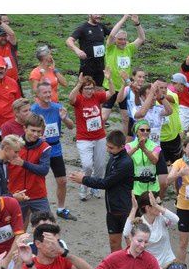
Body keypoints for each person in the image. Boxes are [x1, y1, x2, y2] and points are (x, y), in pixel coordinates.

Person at [69, 130, 134, 253]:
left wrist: (83, 179)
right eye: (107, 146)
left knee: (131, 245)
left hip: (124, 209)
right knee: (114, 243)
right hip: (112, 209)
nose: (108, 150)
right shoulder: (114, 157)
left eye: (111, 148)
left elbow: (105, 183)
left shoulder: (125, 163)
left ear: (122, 147)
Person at [31, 81, 76, 220]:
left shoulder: (58, 108)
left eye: (50, 91)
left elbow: (71, 126)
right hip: (39, 149)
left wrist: (64, 118)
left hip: (55, 149)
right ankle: (37, 209)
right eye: (45, 92)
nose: (48, 94)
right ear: (38, 95)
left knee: (62, 181)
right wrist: (38, 137)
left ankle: (61, 209)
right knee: (37, 181)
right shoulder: (33, 110)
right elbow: (27, 131)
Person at [69, 71, 115, 201]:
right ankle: (84, 186)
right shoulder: (78, 99)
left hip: (99, 136)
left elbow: (111, 93)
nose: (90, 91)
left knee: (100, 166)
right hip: (84, 138)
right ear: (82, 89)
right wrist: (79, 84)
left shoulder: (97, 96)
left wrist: (109, 79)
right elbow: (70, 98)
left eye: (91, 88)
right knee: (87, 165)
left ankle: (95, 186)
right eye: (87, 88)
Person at [7, 114, 52, 229]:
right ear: (25, 128)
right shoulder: (13, 145)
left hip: (38, 194)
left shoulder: (45, 147)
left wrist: (23, 163)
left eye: (39, 131)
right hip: (16, 194)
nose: (36, 134)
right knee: (14, 230)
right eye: (33, 130)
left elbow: (44, 170)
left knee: (46, 228)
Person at [102, 14, 145, 130]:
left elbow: (141, 38)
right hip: (110, 87)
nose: (122, 41)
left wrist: (137, 23)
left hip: (125, 88)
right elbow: (111, 35)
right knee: (104, 117)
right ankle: (97, 137)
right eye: (120, 39)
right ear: (116, 40)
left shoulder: (129, 48)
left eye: (124, 39)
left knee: (126, 118)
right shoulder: (110, 48)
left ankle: (126, 144)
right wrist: (125, 18)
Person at [159, 73, 186, 197]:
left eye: (164, 88)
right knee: (160, 169)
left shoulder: (172, 94)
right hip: (160, 139)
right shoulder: (153, 97)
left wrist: (159, 95)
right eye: (183, 86)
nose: (184, 89)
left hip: (173, 137)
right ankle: (160, 194)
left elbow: (169, 98)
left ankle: (178, 192)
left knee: (178, 166)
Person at [66, 15, 111, 87]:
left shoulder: (101, 26)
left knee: (98, 89)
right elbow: (69, 41)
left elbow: (113, 35)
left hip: (100, 66)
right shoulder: (83, 28)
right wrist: (77, 50)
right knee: (84, 88)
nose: (98, 16)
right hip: (87, 66)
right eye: (96, 13)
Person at [126, 119, 162, 196]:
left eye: (148, 130)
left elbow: (154, 161)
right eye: (142, 130)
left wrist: (144, 149)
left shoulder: (156, 146)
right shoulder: (129, 146)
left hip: (153, 187)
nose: (145, 132)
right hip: (136, 187)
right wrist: (136, 148)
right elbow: (124, 158)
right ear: (136, 132)